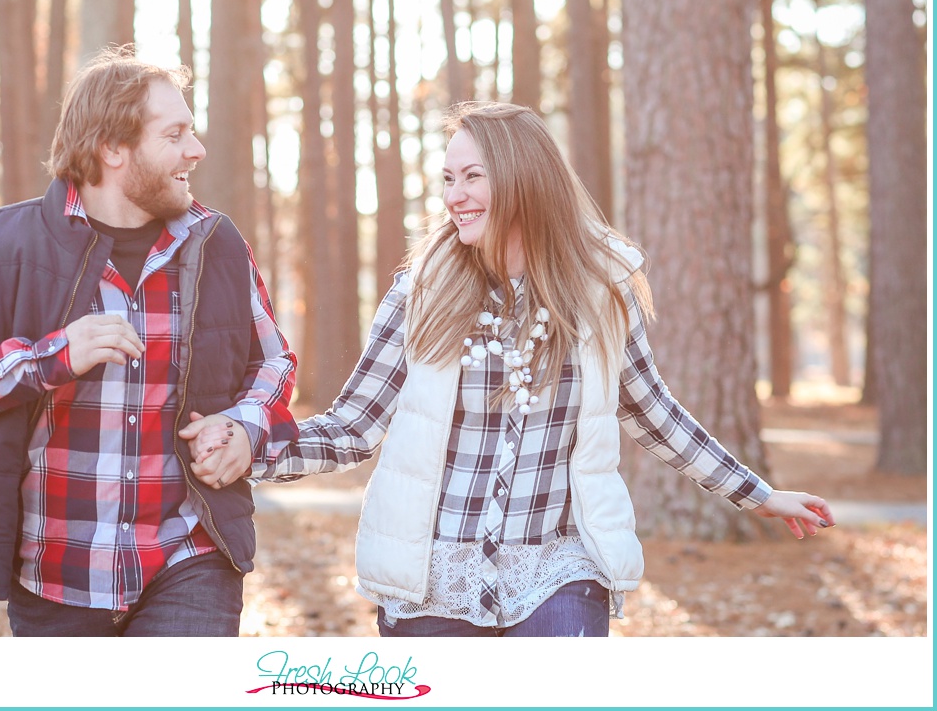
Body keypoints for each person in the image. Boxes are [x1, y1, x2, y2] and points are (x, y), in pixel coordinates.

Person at [185, 100, 834, 638]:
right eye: (446, 179)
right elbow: (352, 426)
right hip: (432, 580)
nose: (453, 196)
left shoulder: (599, 293)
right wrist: (249, 447)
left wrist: (759, 494)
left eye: (471, 177)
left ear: (522, 177)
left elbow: (655, 412)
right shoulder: (420, 292)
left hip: (558, 569)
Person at [0, 46, 297, 637]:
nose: (196, 150)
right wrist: (52, 357)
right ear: (113, 148)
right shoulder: (8, 244)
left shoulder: (216, 243)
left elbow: (273, 361)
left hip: (190, 558)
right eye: (175, 135)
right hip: (55, 574)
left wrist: (247, 424)